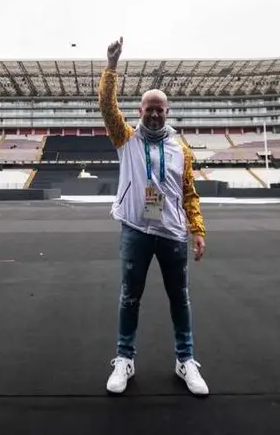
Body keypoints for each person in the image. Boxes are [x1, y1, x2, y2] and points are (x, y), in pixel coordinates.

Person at [99, 36, 209, 397]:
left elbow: (189, 192)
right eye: (149, 108)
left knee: (180, 299)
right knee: (130, 297)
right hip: (136, 230)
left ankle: (186, 360)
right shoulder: (126, 139)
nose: (154, 113)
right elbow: (106, 107)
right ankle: (124, 358)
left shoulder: (181, 149)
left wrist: (197, 229)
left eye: (160, 108)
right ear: (140, 111)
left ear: (168, 112)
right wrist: (112, 67)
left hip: (173, 233)